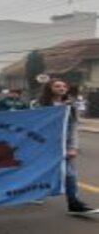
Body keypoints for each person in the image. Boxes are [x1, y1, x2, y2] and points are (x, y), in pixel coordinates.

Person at [34, 78, 93, 213]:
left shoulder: (71, 105)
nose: (62, 88)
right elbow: (35, 124)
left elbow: (73, 127)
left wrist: (73, 147)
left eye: (63, 86)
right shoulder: (40, 104)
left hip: (65, 145)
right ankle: (36, 192)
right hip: (45, 144)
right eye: (57, 86)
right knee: (41, 170)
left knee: (70, 174)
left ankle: (74, 204)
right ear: (49, 88)